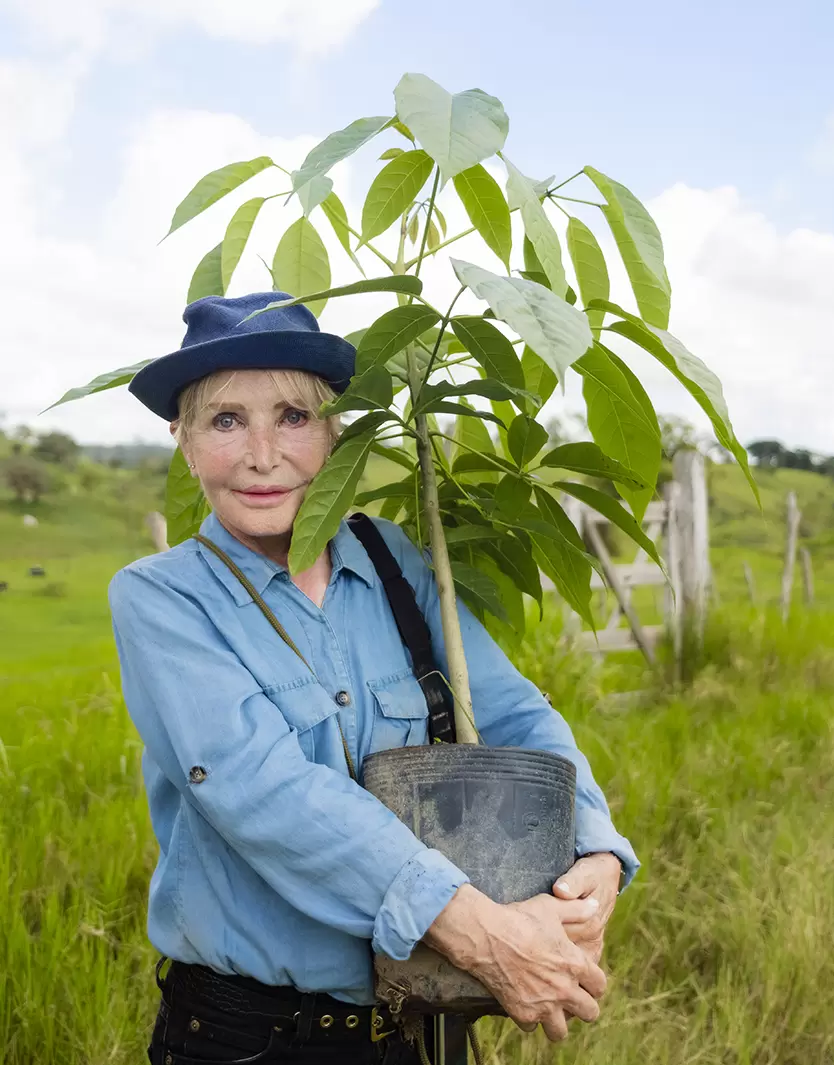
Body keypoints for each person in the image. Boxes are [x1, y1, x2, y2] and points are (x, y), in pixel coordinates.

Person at [109, 291, 640, 1065]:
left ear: (336, 431)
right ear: (183, 442)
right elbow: (262, 788)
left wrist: (592, 850)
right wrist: (481, 931)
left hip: (414, 1026)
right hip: (249, 1038)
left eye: (293, 416)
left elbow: (515, 715)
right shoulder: (162, 596)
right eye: (226, 420)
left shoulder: (393, 561)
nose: (263, 453)